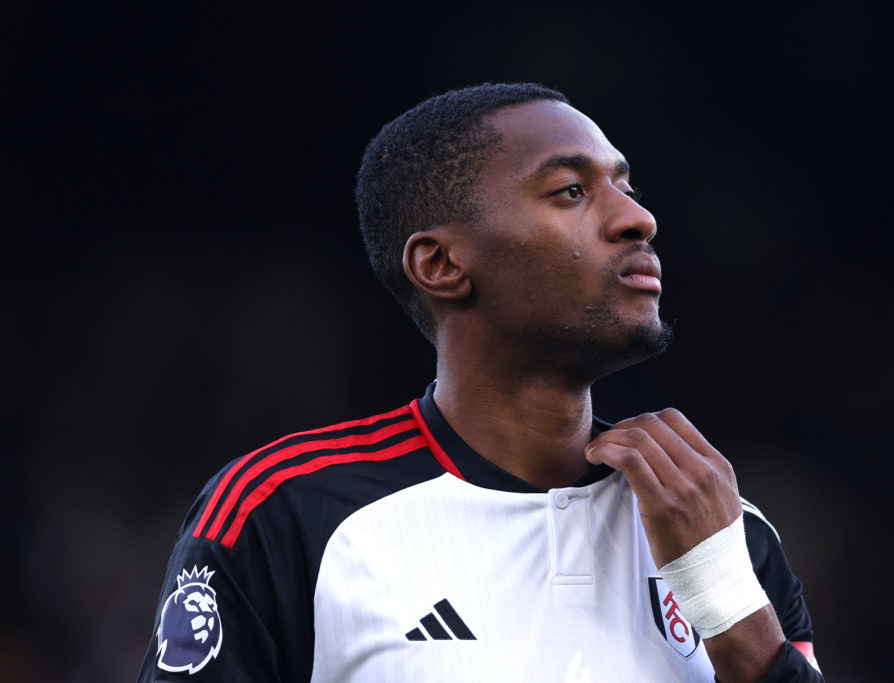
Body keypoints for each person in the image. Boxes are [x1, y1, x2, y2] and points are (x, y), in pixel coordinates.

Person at [138, 82, 824, 682]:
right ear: (441, 263)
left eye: (626, 187)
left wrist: (728, 599)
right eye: (572, 191)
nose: (636, 218)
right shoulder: (284, 513)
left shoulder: (728, 530)